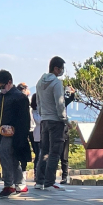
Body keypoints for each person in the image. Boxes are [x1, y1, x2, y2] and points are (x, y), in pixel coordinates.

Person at [0, 70, 32, 198]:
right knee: (12, 158)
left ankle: (9, 185)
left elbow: (24, 120)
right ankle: (20, 184)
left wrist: (20, 135)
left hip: (14, 134)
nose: (0, 89)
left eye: (2, 86)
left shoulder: (20, 98)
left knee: (5, 156)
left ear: (9, 82)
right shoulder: (1, 97)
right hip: (2, 133)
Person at [35, 56, 69, 191]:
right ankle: (49, 182)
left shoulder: (39, 82)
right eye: (61, 69)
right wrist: (64, 119)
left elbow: (38, 102)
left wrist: (43, 115)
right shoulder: (56, 83)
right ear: (56, 68)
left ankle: (39, 181)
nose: (62, 71)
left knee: (44, 151)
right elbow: (60, 104)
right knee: (55, 152)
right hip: (56, 121)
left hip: (44, 120)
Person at [29, 92, 41, 170]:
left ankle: (37, 172)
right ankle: (37, 172)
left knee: (39, 154)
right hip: (38, 134)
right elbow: (39, 121)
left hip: (38, 134)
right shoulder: (35, 110)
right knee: (39, 154)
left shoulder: (36, 110)